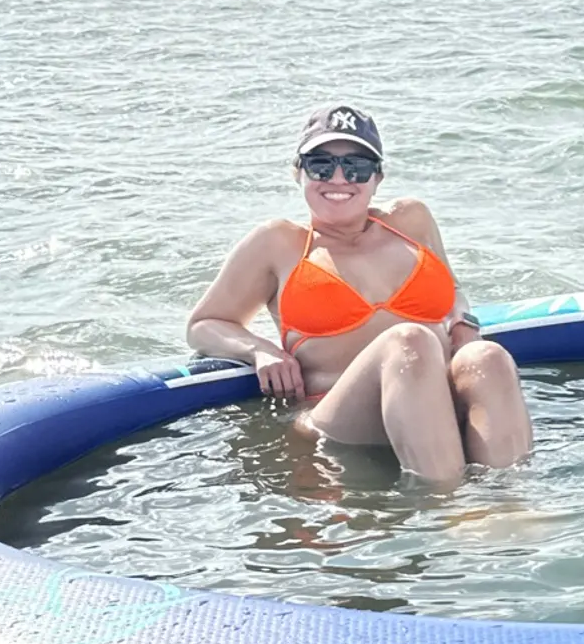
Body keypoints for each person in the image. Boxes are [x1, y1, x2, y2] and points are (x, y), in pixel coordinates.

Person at [187, 103, 534, 485]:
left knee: (487, 355)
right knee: (409, 340)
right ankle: (447, 505)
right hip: (339, 414)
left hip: (434, 399)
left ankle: (511, 500)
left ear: (378, 177)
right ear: (297, 172)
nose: (338, 179)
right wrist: (258, 350)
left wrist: (463, 323)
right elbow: (204, 324)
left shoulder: (412, 221)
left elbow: (452, 290)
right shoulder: (278, 244)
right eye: (321, 165)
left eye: (356, 167)